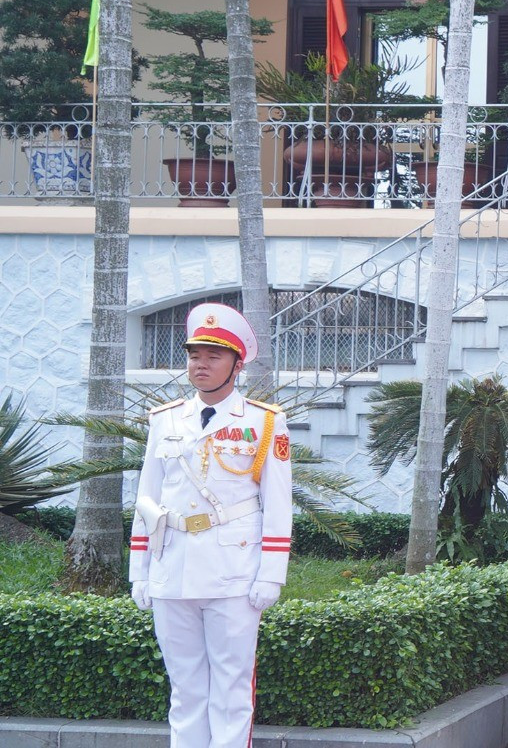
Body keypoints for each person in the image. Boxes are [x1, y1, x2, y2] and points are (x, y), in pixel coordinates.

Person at [130, 302, 292, 748]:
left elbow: (278, 504)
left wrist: (271, 574)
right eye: (194, 354)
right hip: (172, 569)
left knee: (231, 689)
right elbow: (147, 499)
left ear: (237, 365)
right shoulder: (165, 421)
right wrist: (139, 571)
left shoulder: (263, 422)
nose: (200, 364)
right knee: (185, 690)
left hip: (233, 572)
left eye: (213, 355)